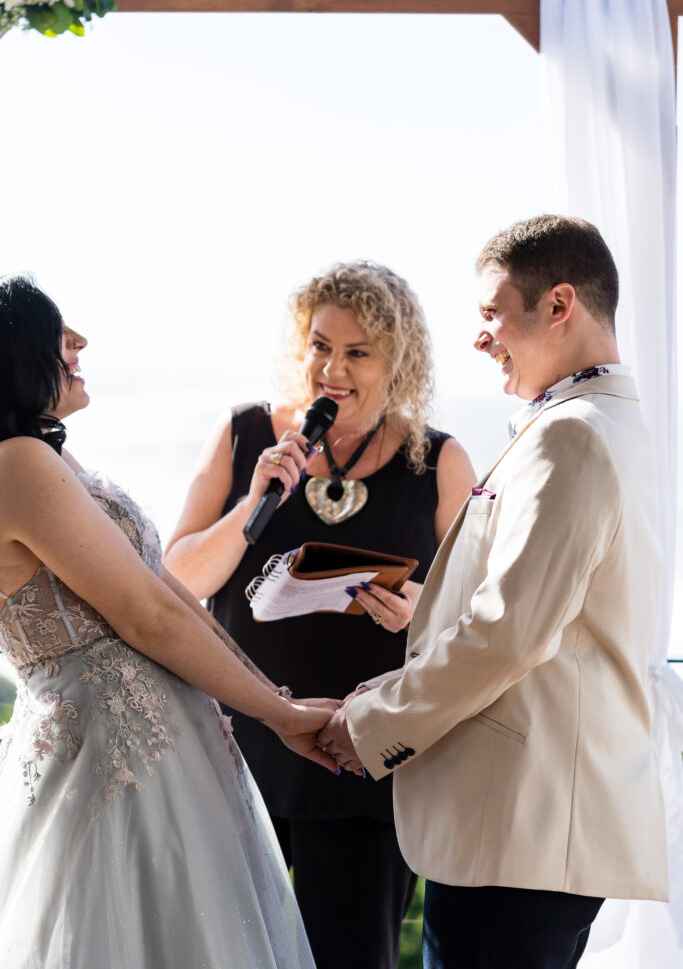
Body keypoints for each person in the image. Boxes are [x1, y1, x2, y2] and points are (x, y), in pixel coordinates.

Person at [319, 217, 669, 969]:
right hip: (540, 834)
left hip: (516, 833)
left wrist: (370, 723)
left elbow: (506, 634)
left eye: (490, 313)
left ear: (559, 304)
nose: (479, 338)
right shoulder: (611, 425)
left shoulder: (569, 435)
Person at [0, 273, 340, 969]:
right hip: (110, 762)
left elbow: (163, 589)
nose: (78, 342)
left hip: (160, 749)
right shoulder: (17, 464)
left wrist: (276, 701)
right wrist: (279, 717)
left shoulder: (48, 453)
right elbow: (146, 616)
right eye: (55, 331)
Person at [164, 260, 476, 969]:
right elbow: (175, 585)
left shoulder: (441, 462)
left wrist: (419, 611)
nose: (331, 369)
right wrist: (253, 504)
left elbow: (480, 614)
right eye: (318, 345)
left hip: (364, 753)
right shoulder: (244, 434)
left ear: (397, 359)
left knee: (352, 954)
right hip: (238, 743)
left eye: (356, 352)